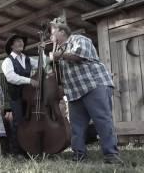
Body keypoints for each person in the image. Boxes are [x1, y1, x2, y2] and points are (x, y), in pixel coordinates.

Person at [49, 16, 123, 165]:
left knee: (102, 120)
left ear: (62, 32)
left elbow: (78, 56)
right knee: (76, 126)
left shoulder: (78, 39)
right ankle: (78, 156)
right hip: (75, 92)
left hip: (94, 85)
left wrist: (58, 55)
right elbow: (61, 74)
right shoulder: (60, 49)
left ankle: (111, 155)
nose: (51, 37)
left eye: (52, 33)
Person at [1, 34, 40, 157]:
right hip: (16, 97)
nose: (21, 43)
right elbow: (11, 77)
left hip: (29, 97)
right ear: (11, 45)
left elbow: (42, 64)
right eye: (17, 41)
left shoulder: (27, 59)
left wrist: (42, 51)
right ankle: (16, 151)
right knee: (18, 123)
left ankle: (30, 149)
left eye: (22, 41)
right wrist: (29, 80)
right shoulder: (8, 61)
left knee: (30, 122)